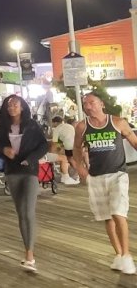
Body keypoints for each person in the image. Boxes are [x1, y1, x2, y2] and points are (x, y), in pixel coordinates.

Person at [72, 91, 137, 275]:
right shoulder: (82, 127)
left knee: (118, 212)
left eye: (91, 102)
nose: (88, 106)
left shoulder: (117, 122)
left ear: (101, 104)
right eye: (85, 103)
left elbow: (134, 141)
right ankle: (118, 256)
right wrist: (80, 169)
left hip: (118, 173)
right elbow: (76, 148)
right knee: (107, 217)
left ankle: (126, 255)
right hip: (96, 176)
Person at [0, 94, 48, 273]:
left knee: (28, 211)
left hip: (29, 171)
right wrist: (4, 150)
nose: (12, 107)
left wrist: (31, 158)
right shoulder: (2, 126)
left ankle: (30, 255)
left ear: (22, 107)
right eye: (9, 105)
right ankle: (27, 251)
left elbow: (43, 145)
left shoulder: (31, 125)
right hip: (12, 171)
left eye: (15, 104)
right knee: (20, 213)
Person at [51, 115, 79, 185]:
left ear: (55, 123)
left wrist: (53, 152)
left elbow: (54, 142)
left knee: (67, 159)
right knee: (69, 159)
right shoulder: (69, 126)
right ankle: (66, 176)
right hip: (75, 145)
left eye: (53, 123)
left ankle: (76, 175)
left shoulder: (57, 129)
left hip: (68, 146)